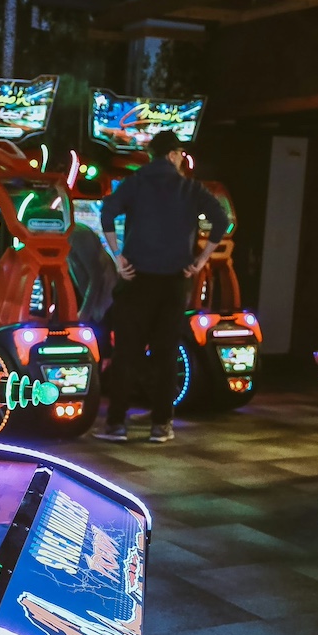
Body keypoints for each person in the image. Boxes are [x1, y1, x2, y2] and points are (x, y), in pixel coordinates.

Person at [96, 130, 228, 444]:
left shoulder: (136, 181)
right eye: (180, 154)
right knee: (166, 354)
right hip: (174, 281)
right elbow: (221, 220)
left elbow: (107, 213)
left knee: (126, 353)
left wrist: (118, 257)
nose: (182, 159)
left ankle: (116, 424)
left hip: (136, 279)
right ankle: (161, 425)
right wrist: (200, 260)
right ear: (172, 154)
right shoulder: (189, 187)